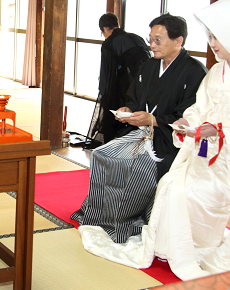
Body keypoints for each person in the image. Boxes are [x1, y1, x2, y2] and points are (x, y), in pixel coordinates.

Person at [78, 0, 230, 281]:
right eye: (210, 36)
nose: (212, 43)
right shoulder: (213, 73)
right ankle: (116, 220)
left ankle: (194, 245)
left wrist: (215, 132)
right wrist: (188, 124)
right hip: (196, 147)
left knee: (180, 189)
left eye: (218, 37)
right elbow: (197, 110)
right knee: (121, 163)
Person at [72, 13, 207, 244]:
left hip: (169, 140)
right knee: (103, 154)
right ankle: (100, 213)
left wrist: (153, 120)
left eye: (157, 40)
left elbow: (191, 116)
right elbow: (134, 97)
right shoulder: (150, 65)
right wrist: (128, 108)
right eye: (150, 39)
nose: (151, 45)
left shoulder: (195, 72)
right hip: (141, 132)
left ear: (178, 41)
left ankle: (127, 219)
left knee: (131, 164)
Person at [86, 13, 150, 148]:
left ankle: (114, 147)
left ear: (104, 29)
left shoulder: (109, 43)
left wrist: (103, 93)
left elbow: (107, 72)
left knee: (117, 116)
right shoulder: (137, 38)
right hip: (143, 86)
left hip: (121, 87)